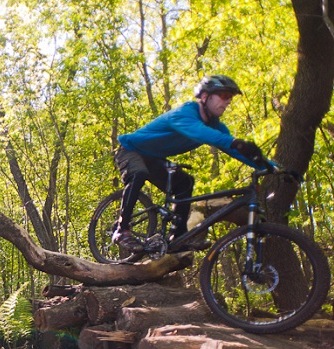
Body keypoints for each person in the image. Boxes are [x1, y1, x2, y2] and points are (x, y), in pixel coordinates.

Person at [112, 75, 265, 253]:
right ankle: (121, 231)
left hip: (154, 158)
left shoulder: (216, 126)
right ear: (205, 96)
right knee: (139, 174)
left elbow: (233, 148)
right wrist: (235, 142)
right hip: (130, 149)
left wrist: (269, 166)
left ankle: (178, 238)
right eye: (223, 95)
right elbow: (201, 133)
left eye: (230, 98)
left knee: (185, 183)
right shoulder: (185, 114)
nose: (227, 102)